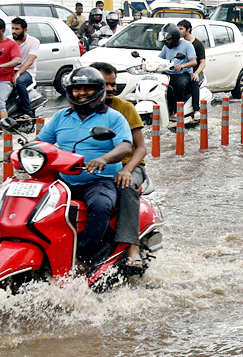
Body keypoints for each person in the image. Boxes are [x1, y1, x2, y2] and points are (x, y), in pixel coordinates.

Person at [37, 67, 132, 264]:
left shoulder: (113, 117)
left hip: (98, 181)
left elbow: (125, 146)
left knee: (101, 205)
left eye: (87, 89)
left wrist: (104, 159)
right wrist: (21, 152)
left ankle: (85, 256)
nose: (81, 93)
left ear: (98, 90)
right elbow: (40, 143)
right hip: (63, 180)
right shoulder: (60, 116)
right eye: (76, 89)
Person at [92, 62, 148, 271]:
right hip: (94, 168)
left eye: (113, 84)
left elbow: (141, 148)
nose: (110, 89)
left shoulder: (125, 108)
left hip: (129, 166)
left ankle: (132, 246)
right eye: (104, 84)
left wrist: (127, 169)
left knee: (126, 185)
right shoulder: (77, 110)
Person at [158, 25, 196, 119]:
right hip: (169, 73)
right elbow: (159, 58)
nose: (166, 42)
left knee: (180, 85)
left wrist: (182, 66)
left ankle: (177, 111)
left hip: (182, 74)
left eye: (168, 40)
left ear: (174, 38)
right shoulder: (166, 47)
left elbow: (193, 61)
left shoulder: (187, 45)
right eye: (166, 40)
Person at [11, 17, 39, 119]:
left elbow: (30, 60)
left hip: (27, 71)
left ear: (25, 30)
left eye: (17, 29)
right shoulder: (9, 40)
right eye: (13, 28)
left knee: (19, 81)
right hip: (10, 70)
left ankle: (27, 112)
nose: (14, 31)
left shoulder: (34, 42)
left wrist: (18, 73)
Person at [178, 20, 206, 117]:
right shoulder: (178, 43)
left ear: (188, 29)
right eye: (178, 29)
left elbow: (203, 62)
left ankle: (196, 110)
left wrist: (197, 73)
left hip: (194, 71)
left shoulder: (197, 44)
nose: (179, 31)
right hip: (182, 72)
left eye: (181, 29)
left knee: (194, 82)